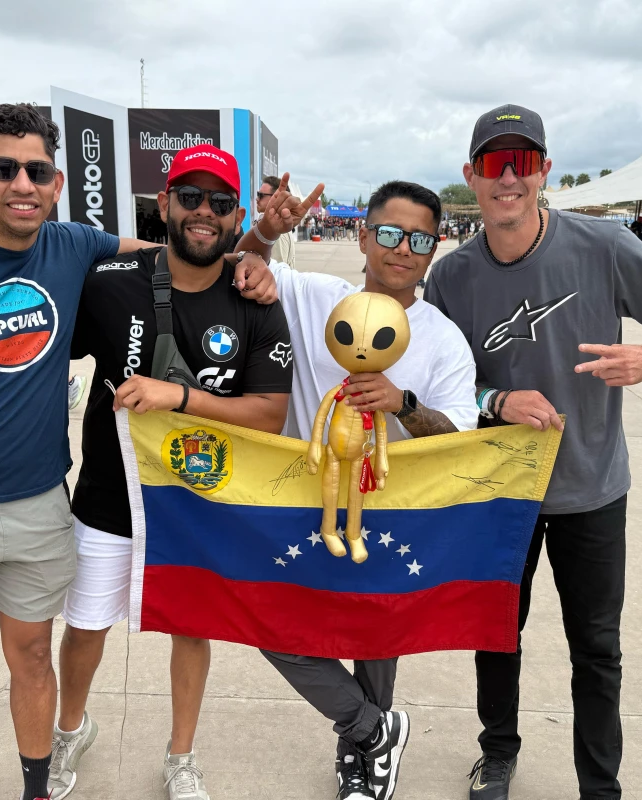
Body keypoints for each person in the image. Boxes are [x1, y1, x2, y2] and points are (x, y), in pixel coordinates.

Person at [0, 104, 286, 800]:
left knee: (34, 654)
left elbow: (182, 253)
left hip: (41, 502)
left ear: (57, 180)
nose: (22, 184)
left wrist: (250, 254)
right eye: (5, 169)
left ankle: (38, 784)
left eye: (37, 171)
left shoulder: (71, 247)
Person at [423, 103, 642, 800]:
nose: (508, 178)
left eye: (522, 163)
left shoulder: (602, 245)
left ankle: (600, 785)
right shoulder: (452, 277)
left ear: (544, 171)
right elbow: (433, 392)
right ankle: (497, 753)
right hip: (497, 491)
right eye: (494, 164)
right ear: (471, 175)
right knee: (494, 632)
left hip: (591, 487)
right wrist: (497, 402)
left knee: (597, 650)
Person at [49, 145, 301, 800]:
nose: (203, 213)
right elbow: (38, 348)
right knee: (84, 626)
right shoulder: (109, 279)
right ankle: (69, 729)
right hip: (108, 497)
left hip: (199, 504)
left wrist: (180, 397)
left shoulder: (254, 295)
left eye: (219, 203)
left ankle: (181, 756)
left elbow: (270, 414)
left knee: (192, 630)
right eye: (189, 197)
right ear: (163, 205)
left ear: (235, 214)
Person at [261, 180, 478, 800]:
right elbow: (243, 267)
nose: (401, 249)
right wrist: (266, 231)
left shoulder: (442, 339)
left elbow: (458, 436)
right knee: (268, 621)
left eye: (418, 238)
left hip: (390, 514)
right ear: (363, 235)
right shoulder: (314, 297)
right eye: (387, 233)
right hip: (301, 502)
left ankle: (361, 758)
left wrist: (403, 404)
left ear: (434, 248)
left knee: (375, 643)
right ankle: (373, 730)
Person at [256, 175, 297, 267]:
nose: (257, 198)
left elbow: (276, 272)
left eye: (261, 195)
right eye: (257, 194)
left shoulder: (276, 230)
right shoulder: (270, 226)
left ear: (276, 199)